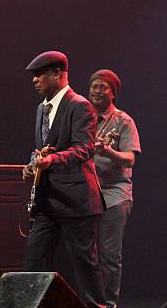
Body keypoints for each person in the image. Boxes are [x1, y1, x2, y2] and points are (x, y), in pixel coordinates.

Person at [22, 51, 105, 308]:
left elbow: (84, 149)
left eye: (40, 75)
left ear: (57, 74)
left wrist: (51, 160)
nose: (35, 80)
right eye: (33, 76)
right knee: (34, 261)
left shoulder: (79, 105)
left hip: (76, 200)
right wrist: (32, 165)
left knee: (85, 265)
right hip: (48, 201)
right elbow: (45, 147)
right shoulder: (40, 109)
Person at [88, 69, 141, 308]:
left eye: (103, 87)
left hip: (114, 194)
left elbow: (129, 159)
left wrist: (108, 152)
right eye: (94, 86)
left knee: (109, 257)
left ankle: (108, 304)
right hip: (85, 194)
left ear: (113, 93)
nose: (97, 91)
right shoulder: (82, 117)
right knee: (87, 256)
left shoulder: (123, 121)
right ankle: (90, 302)